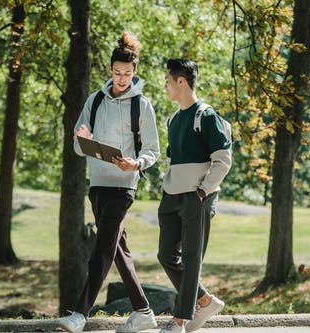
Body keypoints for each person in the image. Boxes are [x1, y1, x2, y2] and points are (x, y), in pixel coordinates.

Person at [58, 32, 160, 333]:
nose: (122, 78)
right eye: (117, 73)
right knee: (116, 249)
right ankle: (143, 311)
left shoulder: (141, 105)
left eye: (127, 74)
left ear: (135, 72)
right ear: (110, 70)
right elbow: (77, 144)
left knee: (102, 249)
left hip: (124, 185)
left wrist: (136, 163)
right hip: (98, 184)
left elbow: (152, 150)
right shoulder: (95, 100)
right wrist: (83, 140)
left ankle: (80, 313)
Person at [157, 59, 232, 333]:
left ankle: (179, 320)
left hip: (197, 198)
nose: (165, 86)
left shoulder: (206, 115)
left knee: (191, 259)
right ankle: (205, 300)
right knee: (165, 254)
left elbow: (223, 160)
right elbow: (174, 161)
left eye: (168, 81)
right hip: (171, 197)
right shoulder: (174, 119)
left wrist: (202, 191)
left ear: (181, 82)